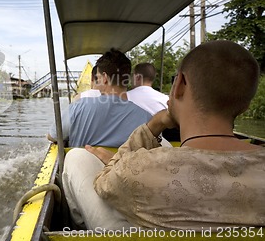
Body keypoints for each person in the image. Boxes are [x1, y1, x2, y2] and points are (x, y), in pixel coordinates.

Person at [63, 40, 265, 230]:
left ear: (180, 85)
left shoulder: (141, 167)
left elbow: (104, 182)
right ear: (246, 106)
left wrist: (153, 126)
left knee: (76, 157)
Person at [47, 49, 151, 147]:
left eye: (97, 76)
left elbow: (52, 136)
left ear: (105, 78)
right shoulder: (146, 118)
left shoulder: (79, 106)